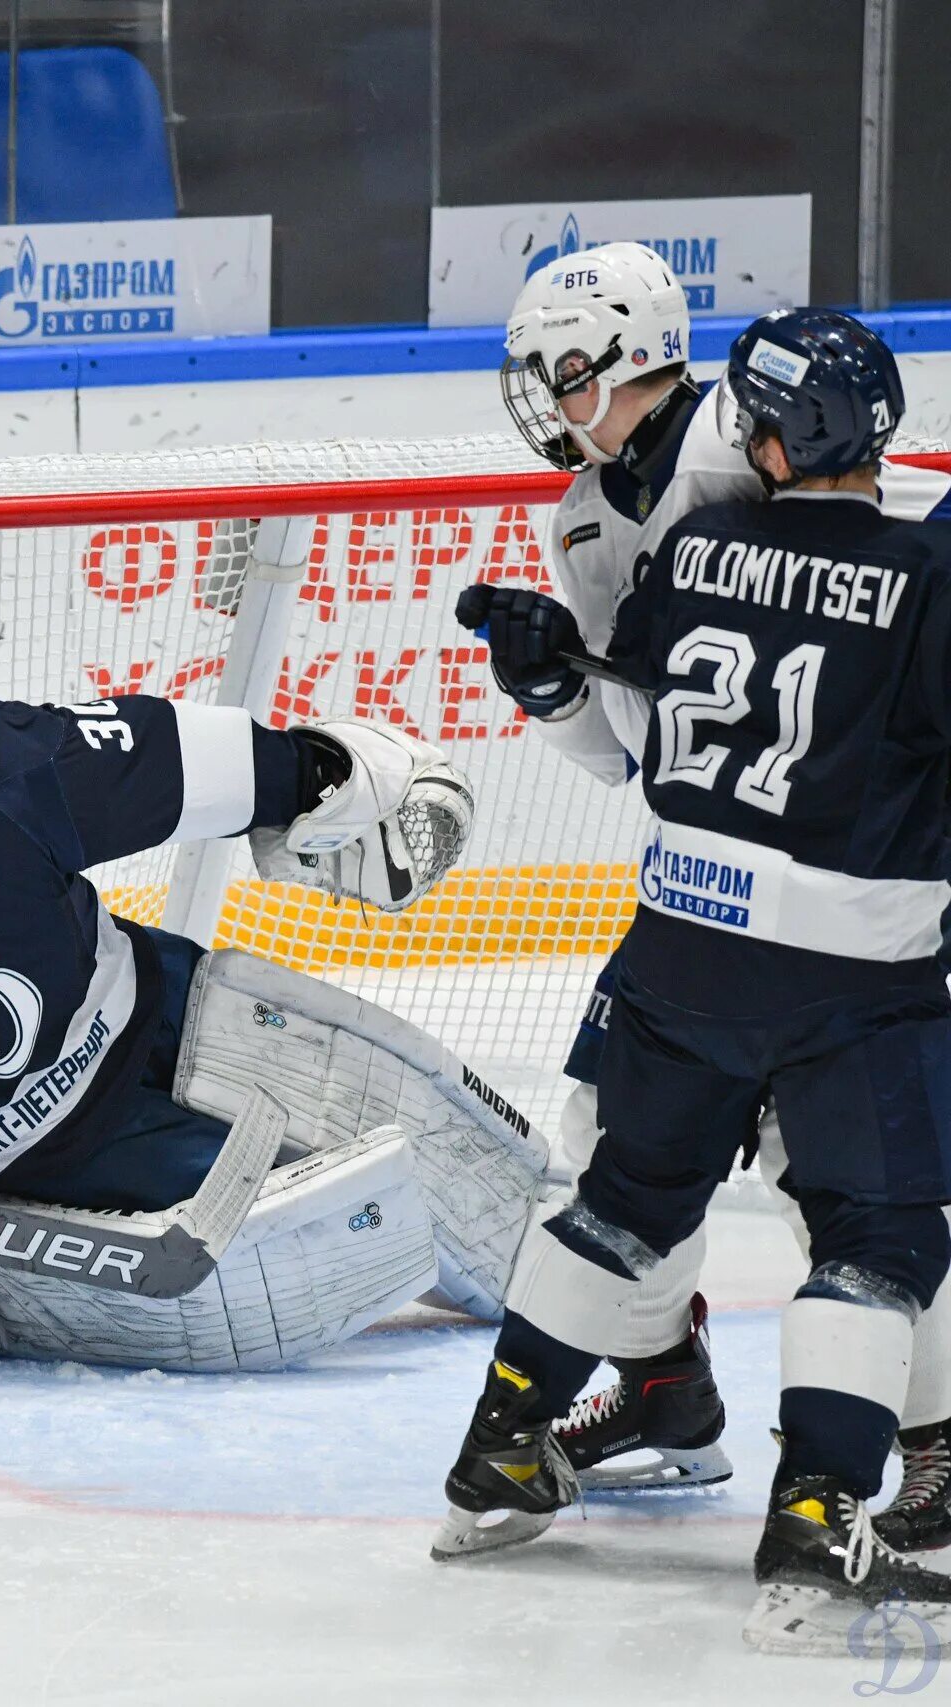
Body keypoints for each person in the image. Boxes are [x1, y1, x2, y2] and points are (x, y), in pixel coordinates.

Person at [432, 308, 951, 1654]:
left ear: (775, 436)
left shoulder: (699, 543)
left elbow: (649, 721)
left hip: (676, 943)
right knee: (880, 1236)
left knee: (621, 1195)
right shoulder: (932, 566)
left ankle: (498, 1452)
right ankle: (822, 1511)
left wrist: (552, 679)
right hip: (851, 968)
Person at [0, 625, 550, 1375]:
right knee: (338, 1226)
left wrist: (314, 773)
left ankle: (597, 1281)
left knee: (452, 1150)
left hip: (174, 1017)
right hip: (47, 1162)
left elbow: (147, 759)